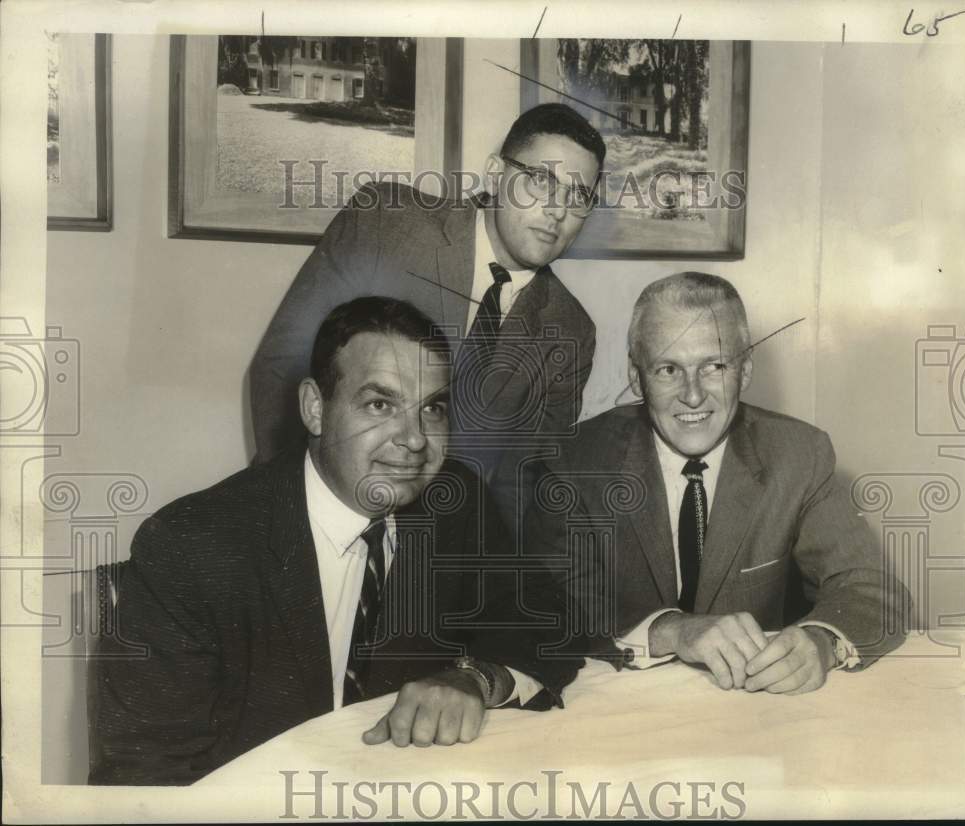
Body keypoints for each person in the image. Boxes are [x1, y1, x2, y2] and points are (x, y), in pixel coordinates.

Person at [91, 297, 577, 786]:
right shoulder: (190, 546)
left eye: (432, 408)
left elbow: (549, 623)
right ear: (315, 409)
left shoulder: (455, 502)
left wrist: (473, 678)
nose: (413, 440)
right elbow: (144, 774)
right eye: (380, 404)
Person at [523, 272, 911, 695]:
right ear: (637, 378)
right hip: (614, 710)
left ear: (744, 371)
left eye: (715, 366)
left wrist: (823, 641)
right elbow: (550, 608)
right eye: (669, 369)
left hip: (752, 712)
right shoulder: (574, 463)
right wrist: (673, 631)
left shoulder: (799, 454)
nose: (693, 396)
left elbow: (872, 589)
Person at [249, 103, 605, 533]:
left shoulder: (571, 330)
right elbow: (283, 365)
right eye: (541, 181)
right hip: (310, 509)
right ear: (495, 174)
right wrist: (297, 519)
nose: (557, 211)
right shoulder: (386, 223)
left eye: (578, 195)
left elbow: (525, 480)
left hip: (440, 555)